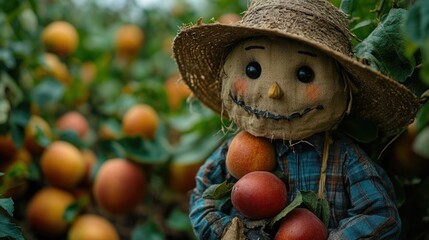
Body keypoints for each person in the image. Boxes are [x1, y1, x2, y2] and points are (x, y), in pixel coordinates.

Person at [172, 0, 419, 239]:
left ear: (343, 90)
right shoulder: (237, 151)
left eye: (305, 74)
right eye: (252, 71)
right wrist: (225, 231)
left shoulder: (340, 156)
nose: (274, 91)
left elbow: (382, 216)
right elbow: (202, 197)